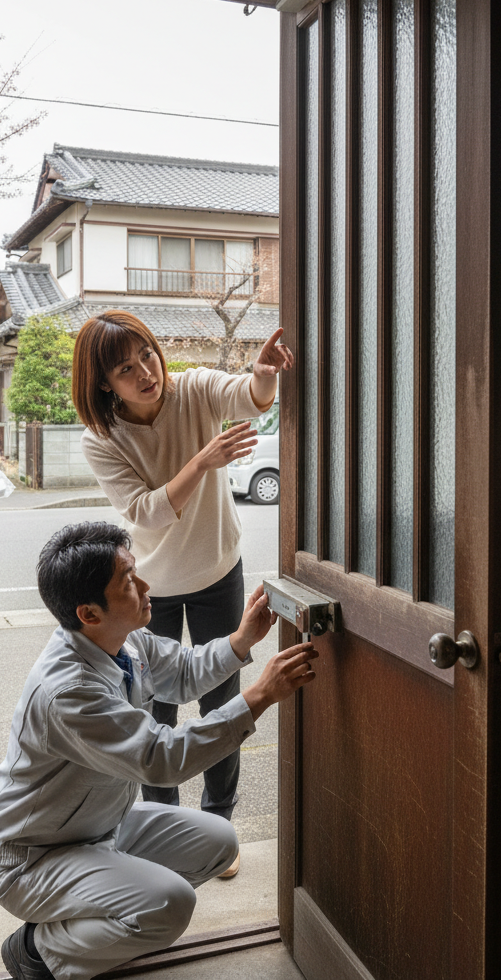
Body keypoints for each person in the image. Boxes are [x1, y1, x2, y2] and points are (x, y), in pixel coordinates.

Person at [0, 520, 317, 980]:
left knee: (219, 843)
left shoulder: (123, 640)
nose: (145, 587)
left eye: (135, 572)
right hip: (37, 857)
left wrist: (241, 640)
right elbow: (162, 759)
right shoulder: (69, 691)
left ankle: (103, 918)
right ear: (89, 613)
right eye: (128, 582)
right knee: (170, 904)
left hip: (100, 826)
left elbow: (182, 672)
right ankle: (38, 951)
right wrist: (259, 696)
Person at [71, 311, 293, 876]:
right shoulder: (103, 439)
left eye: (146, 354)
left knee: (222, 699)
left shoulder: (192, 388)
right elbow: (144, 512)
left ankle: (220, 824)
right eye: (125, 368)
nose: (145, 372)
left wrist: (263, 375)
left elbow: (247, 397)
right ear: (104, 383)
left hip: (218, 569)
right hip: (151, 588)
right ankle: (167, 828)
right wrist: (203, 460)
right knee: (154, 710)